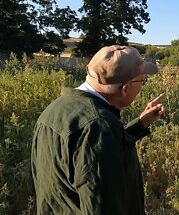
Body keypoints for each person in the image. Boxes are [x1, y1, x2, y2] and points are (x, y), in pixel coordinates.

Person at [31, 45, 165, 214]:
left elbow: (90, 152)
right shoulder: (98, 127)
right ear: (125, 89)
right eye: (142, 81)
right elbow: (101, 205)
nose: (142, 86)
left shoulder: (55, 109)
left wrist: (140, 124)